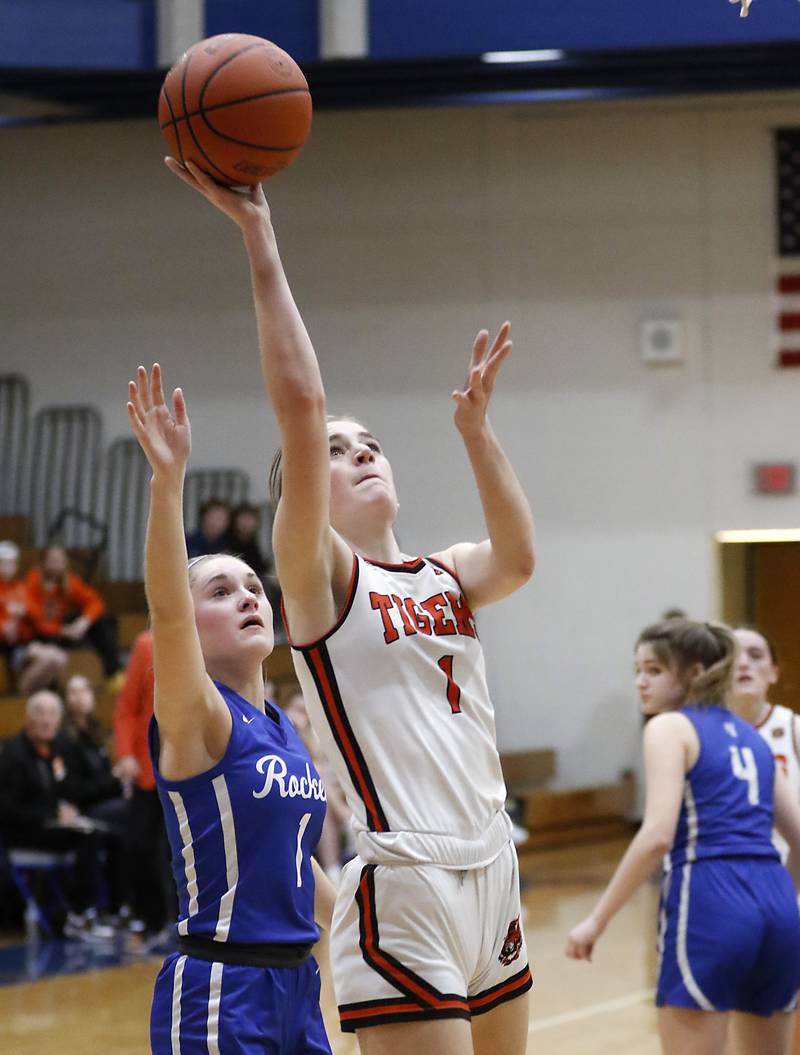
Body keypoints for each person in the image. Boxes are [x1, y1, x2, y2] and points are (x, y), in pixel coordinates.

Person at [166, 158, 535, 1055]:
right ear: (302, 496)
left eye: (373, 443)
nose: (362, 451)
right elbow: (301, 399)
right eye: (338, 450)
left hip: (494, 864)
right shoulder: (321, 578)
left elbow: (520, 558)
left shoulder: (443, 570)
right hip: (405, 881)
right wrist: (260, 235)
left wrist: (478, 436)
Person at [126, 364, 334, 1054]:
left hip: (296, 986)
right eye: (221, 590)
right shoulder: (199, 717)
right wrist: (167, 483)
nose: (248, 595)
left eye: (252, 584)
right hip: (220, 985)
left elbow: (294, 860)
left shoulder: (281, 726)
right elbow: (165, 610)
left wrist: (370, 920)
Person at [566, 619, 800, 1055]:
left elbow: (657, 835)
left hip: (710, 897)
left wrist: (597, 919)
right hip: (780, 907)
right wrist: (782, 900)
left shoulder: (670, 728)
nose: (640, 682)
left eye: (653, 670)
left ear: (694, 673)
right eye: (637, 670)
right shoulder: (754, 737)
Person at [0, 689, 109, 927]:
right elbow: (8, 810)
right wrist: (52, 815)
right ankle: (82, 912)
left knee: (104, 834)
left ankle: (112, 909)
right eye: (39, 713)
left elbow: (65, 790)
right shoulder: (13, 754)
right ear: (27, 718)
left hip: (51, 824)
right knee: (86, 839)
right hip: (23, 832)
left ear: (59, 720)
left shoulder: (58, 750)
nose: (46, 720)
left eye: (51, 714)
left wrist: (68, 810)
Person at [113, 629, 175, 937]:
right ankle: (152, 919)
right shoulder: (147, 644)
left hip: (191, 767)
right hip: (149, 766)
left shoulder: (207, 638)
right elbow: (127, 706)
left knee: (180, 851)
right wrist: (124, 753)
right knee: (139, 845)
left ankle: (180, 922)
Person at [282, 690, 353, 882]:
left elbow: (332, 760)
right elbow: (307, 762)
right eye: (298, 709)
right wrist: (301, 731)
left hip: (340, 789)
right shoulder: (288, 731)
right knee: (319, 788)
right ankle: (333, 870)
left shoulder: (327, 728)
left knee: (321, 780)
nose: (303, 714)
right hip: (318, 795)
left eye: (305, 709)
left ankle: (332, 869)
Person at [24, 545, 121, 678]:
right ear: (44, 562)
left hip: (64, 632)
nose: (57, 564)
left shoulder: (69, 581)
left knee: (104, 621)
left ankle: (113, 673)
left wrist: (84, 622)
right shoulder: (34, 580)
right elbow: (36, 620)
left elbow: (95, 602)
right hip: (42, 635)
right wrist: (62, 630)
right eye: (53, 560)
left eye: (60, 560)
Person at [0, 539, 67, 693]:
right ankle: (22, 692)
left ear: (16, 565)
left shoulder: (21, 588)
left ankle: (29, 691)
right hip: (11, 647)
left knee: (59, 658)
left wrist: (24, 611)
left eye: (10, 563)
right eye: (3, 563)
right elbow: (6, 631)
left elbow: (38, 616)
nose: (6, 568)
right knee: (52, 658)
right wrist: (6, 626)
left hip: (28, 642)